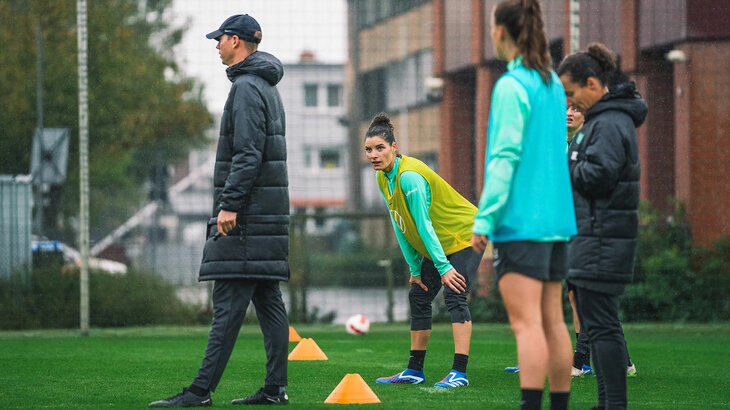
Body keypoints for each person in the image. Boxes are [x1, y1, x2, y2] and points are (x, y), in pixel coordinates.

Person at [149, 14, 290, 407]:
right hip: (267, 214)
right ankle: (275, 390)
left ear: (236, 41)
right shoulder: (265, 86)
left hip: (246, 218)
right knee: (268, 300)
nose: (216, 46)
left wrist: (229, 205)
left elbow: (248, 153)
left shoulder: (245, 87)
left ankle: (199, 393)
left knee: (227, 304)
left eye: (220, 39)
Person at [470, 1, 577, 409]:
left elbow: (504, 158)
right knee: (553, 322)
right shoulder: (550, 85)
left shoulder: (511, 86)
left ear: (500, 32)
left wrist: (485, 217)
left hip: (521, 223)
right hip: (556, 223)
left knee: (527, 324)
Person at [557, 42, 648, 409]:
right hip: (595, 238)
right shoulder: (602, 120)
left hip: (602, 241)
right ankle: (606, 403)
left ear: (593, 84)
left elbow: (599, 177)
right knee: (597, 327)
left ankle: (614, 405)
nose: (569, 101)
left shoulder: (610, 123)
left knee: (603, 327)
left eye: (571, 92)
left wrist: (563, 164)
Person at [365, 113, 484, 388]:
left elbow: (424, 225)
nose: (374, 154)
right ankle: (414, 370)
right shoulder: (383, 178)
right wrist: (415, 269)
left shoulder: (409, 178)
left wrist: (443, 268)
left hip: (466, 235)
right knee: (419, 296)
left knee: (456, 295)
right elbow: (401, 224)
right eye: (369, 150)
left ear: (394, 148)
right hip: (440, 244)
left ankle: (460, 373)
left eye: (380, 148)